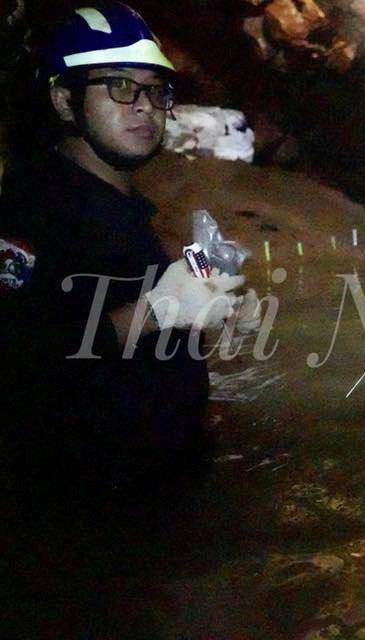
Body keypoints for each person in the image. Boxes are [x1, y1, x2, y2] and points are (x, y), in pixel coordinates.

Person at [0, 2, 247, 492]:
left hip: (156, 495)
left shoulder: (121, 205)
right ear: (64, 101)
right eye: (119, 86)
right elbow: (19, 361)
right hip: (90, 514)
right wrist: (156, 310)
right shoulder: (34, 211)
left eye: (157, 91)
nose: (144, 106)